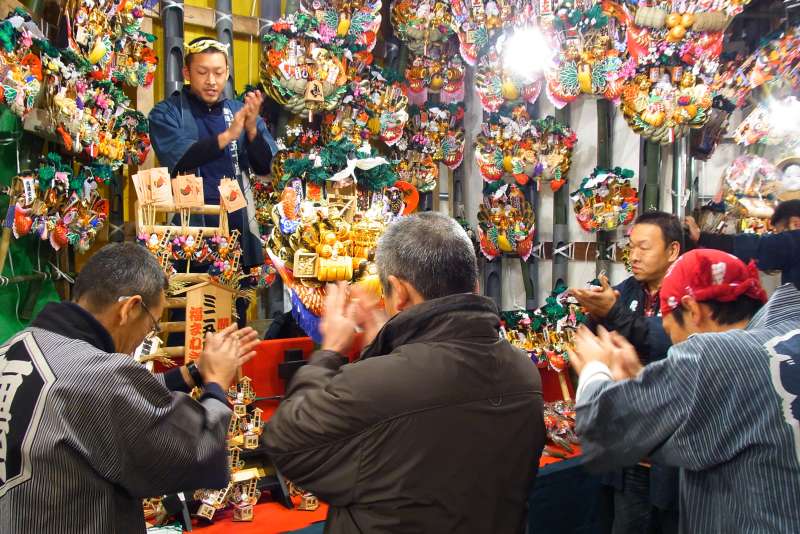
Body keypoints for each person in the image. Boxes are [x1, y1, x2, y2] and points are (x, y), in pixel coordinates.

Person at [264, 212, 545, 533]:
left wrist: (329, 352)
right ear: (475, 285)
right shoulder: (523, 372)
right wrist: (386, 348)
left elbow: (286, 442)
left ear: (398, 292)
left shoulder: (381, 382)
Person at [0, 243, 260, 534]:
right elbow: (195, 450)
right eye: (152, 325)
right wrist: (216, 383)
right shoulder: (98, 375)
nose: (146, 336)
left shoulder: (15, 348)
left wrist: (193, 373)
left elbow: (113, 405)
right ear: (130, 308)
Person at [569, 249, 800, 533]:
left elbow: (604, 428)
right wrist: (642, 382)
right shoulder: (786, 335)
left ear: (693, 310)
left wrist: (595, 370)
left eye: (670, 332)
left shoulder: (718, 356)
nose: (675, 347)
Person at [570, 211, 682, 534]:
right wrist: (594, 314)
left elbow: (664, 341)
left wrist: (613, 313)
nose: (633, 256)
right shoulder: (626, 291)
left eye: (643, 248)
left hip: (673, 456)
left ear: (672, 251)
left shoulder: (686, 296)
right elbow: (596, 339)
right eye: (630, 247)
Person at [149, 37, 278, 269]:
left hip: (236, 222)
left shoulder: (239, 112)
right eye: (202, 72)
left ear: (227, 72)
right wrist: (228, 136)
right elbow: (180, 157)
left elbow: (265, 168)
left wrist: (250, 130)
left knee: (236, 300)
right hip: (188, 225)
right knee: (189, 299)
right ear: (186, 72)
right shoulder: (166, 113)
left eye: (218, 73)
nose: (211, 81)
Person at [685, 198, 800, 289]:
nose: (777, 239)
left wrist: (702, 238)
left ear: (796, 224)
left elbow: (757, 247)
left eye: (780, 235)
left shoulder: (795, 240)